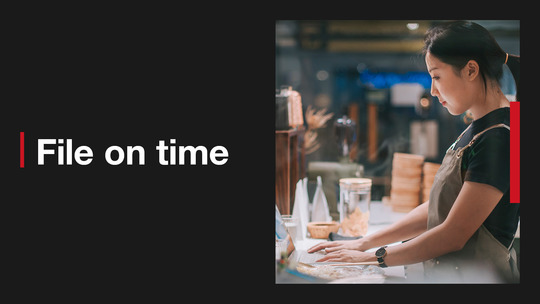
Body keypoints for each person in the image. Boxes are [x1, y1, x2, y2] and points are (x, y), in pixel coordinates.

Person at [308, 20, 520, 283]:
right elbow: (440, 208)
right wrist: (364, 242)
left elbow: (454, 234)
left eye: (437, 76)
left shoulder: (500, 137)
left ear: (471, 70)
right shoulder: (480, 129)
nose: (432, 90)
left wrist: (373, 256)